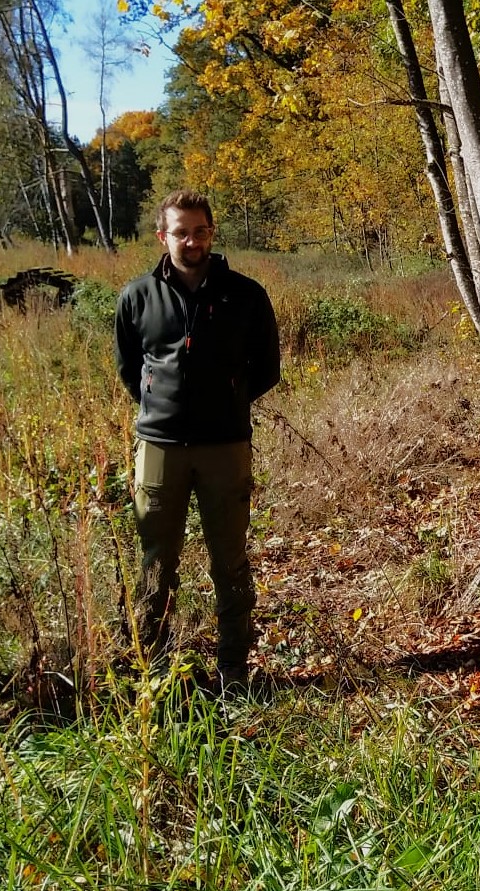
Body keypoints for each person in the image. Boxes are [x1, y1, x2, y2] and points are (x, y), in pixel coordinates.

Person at [115, 189, 281, 693]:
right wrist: (161, 408)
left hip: (224, 447)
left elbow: (266, 368)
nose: (192, 241)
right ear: (162, 237)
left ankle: (234, 669)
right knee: (155, 561)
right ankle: (152, 671)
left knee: (229, 560)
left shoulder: (245, 295)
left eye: (201, 231)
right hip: (159, 447)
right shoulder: (137, 296)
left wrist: (224, 405)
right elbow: (130, 367)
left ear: (211, 232)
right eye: (181, 232)